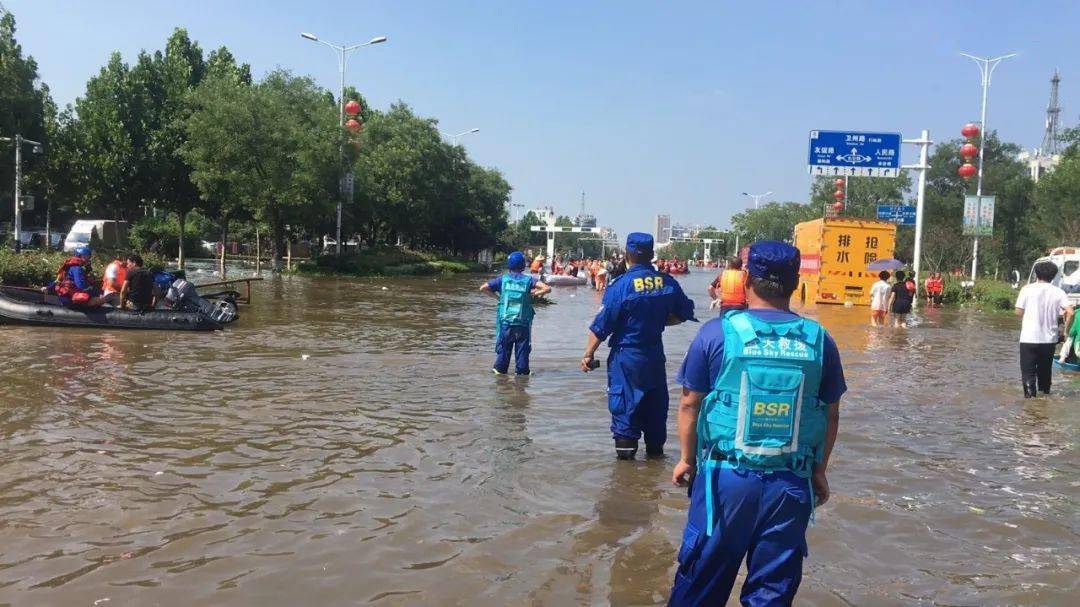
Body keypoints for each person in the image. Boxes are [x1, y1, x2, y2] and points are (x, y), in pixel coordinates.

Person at [668, 240, 846, 606]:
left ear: (746, 280)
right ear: (797, 283)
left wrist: (687, 459)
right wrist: (819, 471)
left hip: (725, 481)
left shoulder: (716, 334)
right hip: (790, 483)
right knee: (772, 592)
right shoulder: (820, 341)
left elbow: (690, 403)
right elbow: (830, 413)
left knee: (700, 584)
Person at [581, 232, 696, 460]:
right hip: (654, 356)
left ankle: (625, 480)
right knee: (655, 413)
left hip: (626, 358)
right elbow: (684, 314)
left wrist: (588, 354)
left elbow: (601, 326)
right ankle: (653, 477)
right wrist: (659, 320)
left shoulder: (620, 286)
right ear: (652, 255)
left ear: (627, 255)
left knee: (625, 413)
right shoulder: (668, 283)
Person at [480, 251, 551, 375]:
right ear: (523, 265)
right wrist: (534, 294)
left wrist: (498, 298)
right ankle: (522, 380)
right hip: (523, 324)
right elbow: (547, 288)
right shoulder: (529, 280)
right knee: (522, 354)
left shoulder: (503, 280)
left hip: (506, 323)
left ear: (509, 265)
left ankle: (500, 377)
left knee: (503, 354)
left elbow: (483, 288)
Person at [1015, 261, 1074, 397]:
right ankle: (1044, 401)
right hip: (1049, 340)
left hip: (1029, 338)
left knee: (1028, 374)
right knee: (1045, 373)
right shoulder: (1058, 291)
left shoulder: (1026, 289)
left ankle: (1031, 405)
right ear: (1053, 276)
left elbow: (1018, 312)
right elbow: (1070, 312)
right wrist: (1065, 331)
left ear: (1036, 274)